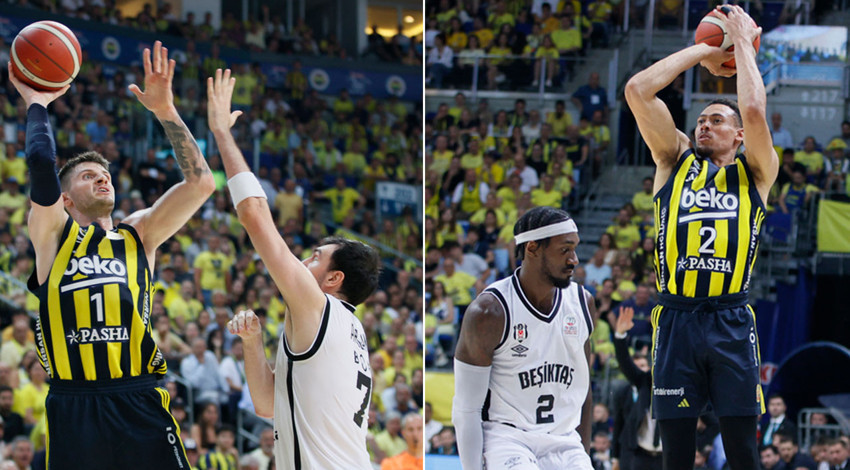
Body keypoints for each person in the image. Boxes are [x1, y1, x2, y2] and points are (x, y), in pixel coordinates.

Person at [11, 41, 214, 469]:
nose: (102, 181)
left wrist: (165, 111)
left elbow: (201, 185)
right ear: (66, 199)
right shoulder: (51, 236)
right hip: (74, 402)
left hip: (138, 395)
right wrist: (37, 102)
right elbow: (40, 163)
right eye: (89, 177)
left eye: (105, 176)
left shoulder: (139, 235)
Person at [624, 6, 778, 469]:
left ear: (738, 137)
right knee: (675, 455)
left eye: (716, 120)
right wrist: (708, 48)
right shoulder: (673, 160)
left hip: (730, 319)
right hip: (676, 320)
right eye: (701, 120)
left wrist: (742, 46)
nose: (704, 124)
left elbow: (751, 107)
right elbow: (637, 90)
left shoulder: (757, 171)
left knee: (742, 450)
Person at [210, 70, 381, 469]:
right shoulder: (350, 329)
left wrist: (221, 132)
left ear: (335, 279)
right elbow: (269, 404)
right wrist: (253, 344)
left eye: (317, 257)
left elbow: (254, 214)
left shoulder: (319, 308)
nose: (304, 262)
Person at [452, 206, 594, 469]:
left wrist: (582, 456)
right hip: (508, 438)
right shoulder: (489, 312)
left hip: (564, 440)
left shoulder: (583, 303)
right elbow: (466, 409)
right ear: (532, 248)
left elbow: (584, 393)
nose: (574, 259)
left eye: (575, 249)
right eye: (564, 250)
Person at [612, 307, 662, 470]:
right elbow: (625, 363)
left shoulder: (682, 383)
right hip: (640, 454)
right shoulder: (645, 381)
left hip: (667, 456)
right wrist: (620, 336)